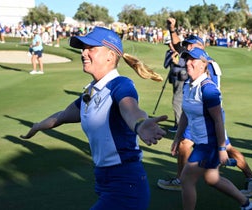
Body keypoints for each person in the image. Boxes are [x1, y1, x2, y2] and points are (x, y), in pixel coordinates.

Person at [20, 26, 167, 210]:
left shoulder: (120, 85)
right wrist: (37, 126)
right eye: (83, 48)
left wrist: (140, 124)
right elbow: (62, 116)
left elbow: (131, 109)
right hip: (104, 181)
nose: (83, 53)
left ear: (110, 56)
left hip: (125, 185)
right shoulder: (91, 91)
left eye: (91, 48)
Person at [157, 18, 252, 198]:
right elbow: (176, 46)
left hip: (207, 116)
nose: (185, 49)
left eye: (189, 46)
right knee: (184, 144)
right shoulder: (195, 58)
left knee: (225, 148)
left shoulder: (207, 65)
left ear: (199, 46)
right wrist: (171, 28)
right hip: (197, 113)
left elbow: (210, 96)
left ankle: (251, 177)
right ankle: (181, 180)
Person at [177, 47, 252, 210]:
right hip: (201, 142)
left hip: (210, 143)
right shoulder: (188, 85)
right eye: (187, 59)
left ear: (203, 65)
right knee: (211, 178)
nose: (188, 63)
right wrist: (177, 137)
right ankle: (248, 204)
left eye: (193, 60)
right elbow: (186, 114)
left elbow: (218, 121)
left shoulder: (208, 89)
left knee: (186, 179)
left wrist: (222, 148)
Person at [163, 36, 187, 133]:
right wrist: (171, 57)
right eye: (168, 44)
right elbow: (165, 65)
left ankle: (178, 124)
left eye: (170, 44)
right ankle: (180, 123)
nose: (169, 46)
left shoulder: (183, 52)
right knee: (178, 100)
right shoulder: (169, 53)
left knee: (176, 101)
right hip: (173, 78)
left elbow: (184, 64)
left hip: (182, 78)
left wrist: (176, 60)